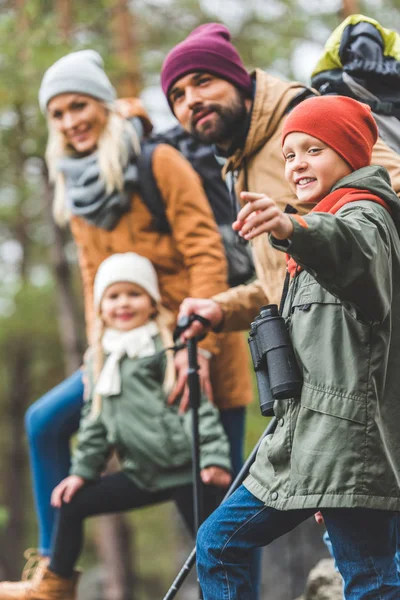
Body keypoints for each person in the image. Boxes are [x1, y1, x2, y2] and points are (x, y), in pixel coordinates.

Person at [13, 50, 252, 581]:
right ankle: (54, 575)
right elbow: (92, 282)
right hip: (123, 352)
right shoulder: (76, 192)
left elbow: (206, 255)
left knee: (219, 507)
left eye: (79, 105)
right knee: (44, 423)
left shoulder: (158, 162)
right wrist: (99, 362)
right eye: (57, 113)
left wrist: (200, 355)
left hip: (196, 347)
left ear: (101, 103)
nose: (71, 120)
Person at [194, 95, 400, 599]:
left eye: (314, 149)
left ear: (351, 154)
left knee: (369, 581)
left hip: (347, 445)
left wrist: (290, 225)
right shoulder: (328, 220)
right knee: (219, 542)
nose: (298, 163)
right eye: (289, 155)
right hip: (310, 441)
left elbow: (351, 253)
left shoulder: (366, 216)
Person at [0, 252, 232, 599]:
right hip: (142, 474)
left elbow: (196, 407)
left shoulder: (163, 347)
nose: (123, 303)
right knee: (71, 502)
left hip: (186, 472)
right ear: (100, 306)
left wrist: (213, 458)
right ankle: (54, 585)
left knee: (211, 547)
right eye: (113, 296)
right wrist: (81, 473)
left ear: (152, 303)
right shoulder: (100, 358)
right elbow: (95, 425)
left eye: (134, 294)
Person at [160, 22, 400, 337]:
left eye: (202, 82)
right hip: (320, 358)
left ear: (238, 80)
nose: (190, 100)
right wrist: (221, 308)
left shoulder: (302, 124)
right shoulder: (243, 161)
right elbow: (286, 279)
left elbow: (391, 190)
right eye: (177, 96)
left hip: (365, 354)